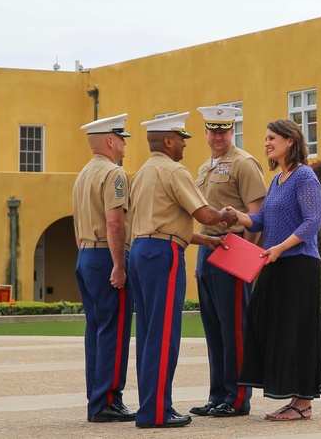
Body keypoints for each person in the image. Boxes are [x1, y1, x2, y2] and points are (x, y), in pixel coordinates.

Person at [128, 112, 237, 428]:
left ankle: (153, 405)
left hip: (141, 251)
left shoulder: (143, 172)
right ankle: (157, 412)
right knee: (164, 336)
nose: (184, 146)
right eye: (181, 139)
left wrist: (205, 240)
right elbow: (203, 212)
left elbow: (163, 222)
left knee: (149, 334)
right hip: (164, 254)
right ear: (168, 140)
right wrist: (226, 218)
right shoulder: (174, 170)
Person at [230, 118, 321, 422]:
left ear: (291, 142)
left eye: (272, 138)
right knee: (264, 323)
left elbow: (313, 221)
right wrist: (238, 217)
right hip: (275, 262)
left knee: (297, 331)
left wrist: (281, 247)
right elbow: (262, 222)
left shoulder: (305, 177)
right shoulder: (277, 180)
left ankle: (303, 401)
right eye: (266, 138)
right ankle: (292, 395)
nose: (267, 143)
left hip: (298, 264)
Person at [189, 105, 266, 418]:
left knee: (234, 328)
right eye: (212, 130)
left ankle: (237, 397)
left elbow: (257, 216)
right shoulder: (205, 167)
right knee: (214, 328)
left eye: (223, 130)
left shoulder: (244, 163)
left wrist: (246, 259)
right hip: (207, 248)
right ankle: (217, 393)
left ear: (232, 131)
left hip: (232, 248)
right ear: (206, 132)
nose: (217, 136)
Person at [73, 113, 135, 423]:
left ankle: (96, 398)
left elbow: (75, 224)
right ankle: (108, 399)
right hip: (106, 256)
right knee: (114, 329)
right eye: (122, 138)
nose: (125, 143)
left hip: (86, 254)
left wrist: (88, 254)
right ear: (110, 141)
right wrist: (119, 265)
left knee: (95, 330)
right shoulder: (115, 174)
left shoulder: (83, 174)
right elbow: (115, 221)